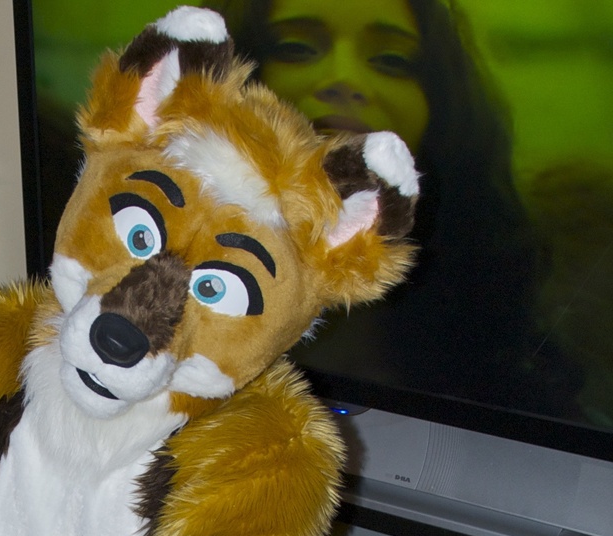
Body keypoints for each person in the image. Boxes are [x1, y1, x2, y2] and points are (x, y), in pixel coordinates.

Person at [217, 0, 582, 415]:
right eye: (296, 49)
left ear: (441, 110)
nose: (344, 79)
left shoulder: (503, 372)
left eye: (392, 60)